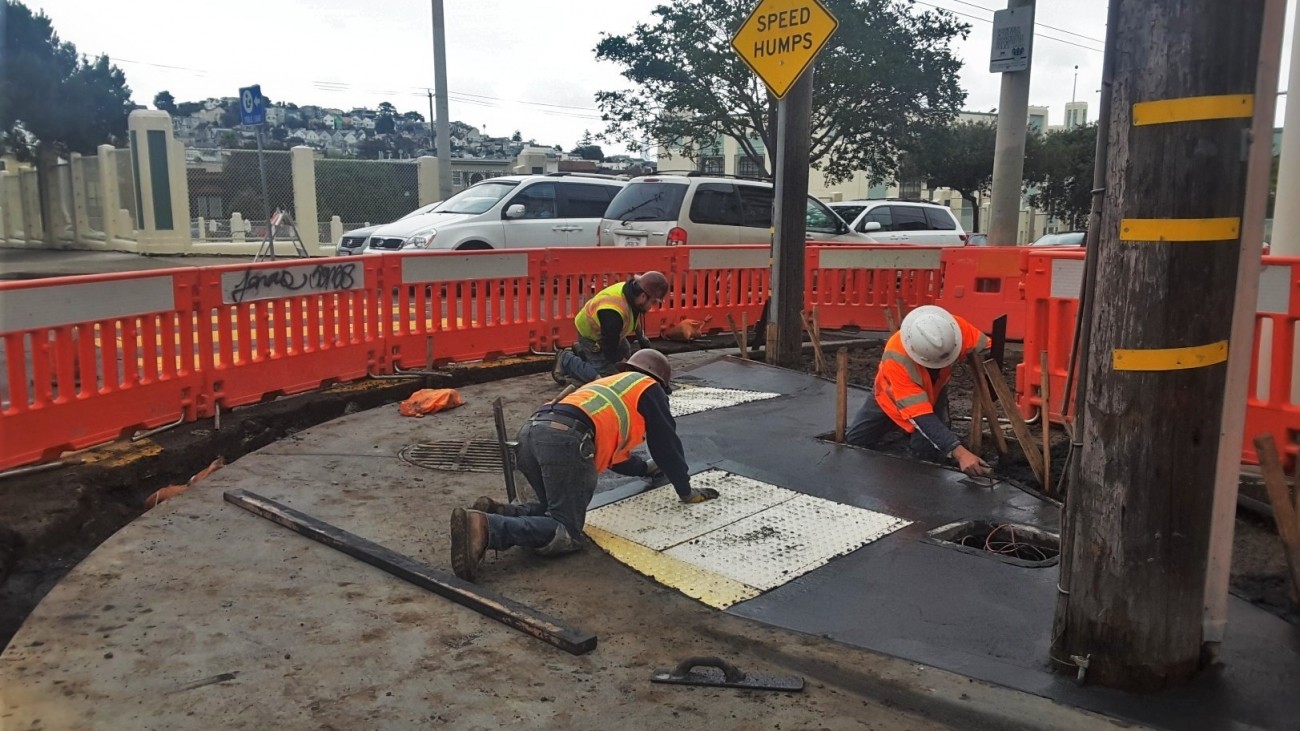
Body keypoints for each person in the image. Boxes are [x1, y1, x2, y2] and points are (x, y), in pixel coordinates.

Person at [451, 349, 719, 581]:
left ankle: (505, 512)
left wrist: (645, 469)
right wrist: (686, 491)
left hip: (532, 432)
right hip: (566, 440)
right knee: (566, 531)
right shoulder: (649, 387)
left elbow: (615, 456)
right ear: (660, 380)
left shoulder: (607, 385)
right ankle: (486, 527)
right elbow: (666, 444)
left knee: (550, 509)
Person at [846, 305, 993, 477]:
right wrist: (961, 454)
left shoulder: (952, 331)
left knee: (926, 453)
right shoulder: (897, 359)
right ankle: (900, 431)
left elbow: (988, 348)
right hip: (888, 398)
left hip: (935, 390)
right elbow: (922, 417)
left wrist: (989, 378)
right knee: (856, 441)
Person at [552, 271, 670, 386]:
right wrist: (622, 364)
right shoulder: (613, 312)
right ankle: (566, 360)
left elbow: (633, 317)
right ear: (644, 296)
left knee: (628, 360)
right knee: (607, 379)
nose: (652, 307)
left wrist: (642, 339)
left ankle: (585, 353)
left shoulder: (633, 294)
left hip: (614, 333)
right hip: (592, 335)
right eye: (653, 302)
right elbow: (609, 347)